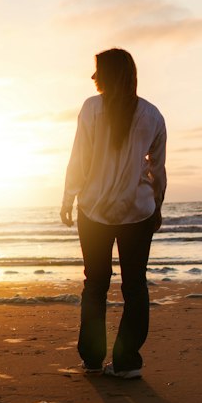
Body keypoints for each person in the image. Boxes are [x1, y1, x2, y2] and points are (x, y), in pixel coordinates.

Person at [60, 47, 167, 379]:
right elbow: (157, 170)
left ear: (111, 74)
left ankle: (92, 359)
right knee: (135, 286)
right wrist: (158, 204)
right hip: (137, 210)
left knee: (96, 284)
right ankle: (126, 362)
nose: (93, 78)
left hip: (93, 210)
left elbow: (80, 158)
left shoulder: (92, 109)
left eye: (97, 71)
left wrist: (68, 197)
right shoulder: (152, 115)